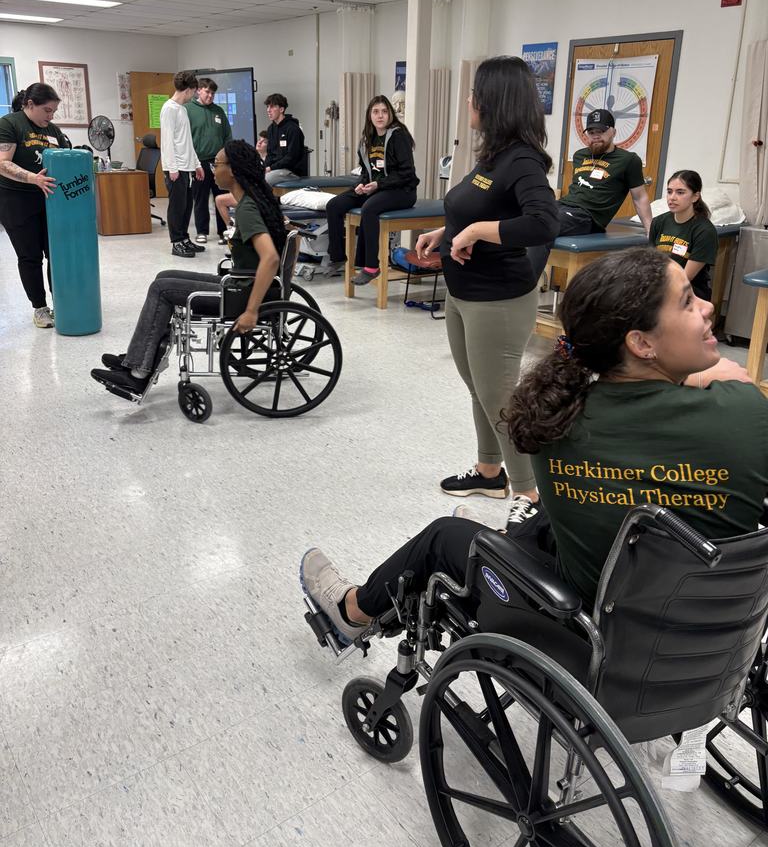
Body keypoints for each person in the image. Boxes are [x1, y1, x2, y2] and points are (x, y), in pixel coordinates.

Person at [300, 248, 765, 645]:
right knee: (547, 520)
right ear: (640, 342)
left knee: (445, 536)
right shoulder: (746, 412)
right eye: (688, 302)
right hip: (713, 639)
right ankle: (506, 544)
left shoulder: (555, 425)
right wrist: (705, 375)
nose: (706, 307)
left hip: (594, 633)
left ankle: (353, 611)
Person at [414, 56, 559, 520]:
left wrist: (476, 233)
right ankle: (489, 471)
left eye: (475, 93)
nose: (469, 100)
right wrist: (448, 231)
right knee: (478, 388)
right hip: (464, 293)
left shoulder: (522, 160)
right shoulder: (493, 156)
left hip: (497, 299)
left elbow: (542, 222)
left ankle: (531, 495)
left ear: (493, 101)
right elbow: (477, 205)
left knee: (500, 397)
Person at [90, 140, 285, 397]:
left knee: (162, 288)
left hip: (241, 294)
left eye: (216, 164)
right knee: (164, 276)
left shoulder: (248, 208)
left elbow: (270, 258)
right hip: (239, 284)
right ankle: (139, 356)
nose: (212, 168)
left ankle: (137, 372)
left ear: (234, 170)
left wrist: (251, 312)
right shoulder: (252, 200)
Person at [529, 109, 652, 279]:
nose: (595, 136)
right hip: (563, 206)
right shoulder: (580, 155)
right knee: (520, 218)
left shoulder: (628, 160)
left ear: (613, 132)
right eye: (592, 132)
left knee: (542, 226)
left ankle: (523, 286)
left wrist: (649, 230)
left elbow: (639, 196)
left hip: (587, 216)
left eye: (601, 131)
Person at [325, 95, 418, 284]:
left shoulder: (398, 136)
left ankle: (371, 266)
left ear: (390, 114)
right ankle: (337, 257)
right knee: (334, 205)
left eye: (384, 111)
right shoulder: (367, 140)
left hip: (403, 191)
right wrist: (361, 185)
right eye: (376, 112)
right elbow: (367, 172)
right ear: (370, 115)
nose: (380, 116)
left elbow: (407, 173)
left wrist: (378, 185)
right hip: (377, 189)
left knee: (369, 208)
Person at [0, 82, 69, 328]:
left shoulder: (53, 130)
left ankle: (61, 302)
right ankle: (39, 307)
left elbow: (65, 156)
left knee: (56, 254)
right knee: (30, 256)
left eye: (53, 112)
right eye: (47, 110)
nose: (50, 116)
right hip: (16, 201)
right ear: (30, 105)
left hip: (50, 201)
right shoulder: (10, 124)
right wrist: (32, 178)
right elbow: (2, 162)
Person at [650, 170, 718, 301]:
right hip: (660, 284)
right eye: (669, 192)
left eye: (680, 192)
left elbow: (685, 278)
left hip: (689, 290)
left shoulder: (705, 231)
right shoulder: (658, 222)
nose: (672, 197)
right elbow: (651, 261)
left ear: (695, 196)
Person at [159, 71, 204, 258]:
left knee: (186, 206)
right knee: (177, 207)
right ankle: (176, 242)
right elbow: (167, 140)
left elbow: (187, 142)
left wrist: (197, 164)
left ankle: (184, 238)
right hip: (176, 168)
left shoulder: (182, 109)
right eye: (194, 91)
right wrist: (172, 168)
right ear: (189, 89)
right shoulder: (169, 109)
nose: (194, 95)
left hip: (187, 167)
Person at [185, 76, 232, 246]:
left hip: (219, 162)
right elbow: (185, 137)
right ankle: (202, 231)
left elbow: (227, 135)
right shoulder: (188, 109)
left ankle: (223, 231)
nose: (210, 96)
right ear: (198, 90)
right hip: (199, 161)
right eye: (207, 92)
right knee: (201, 197)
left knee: (221, 196)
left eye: (213, 93)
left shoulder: (218, 111)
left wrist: (227, 158)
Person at [263, 93, 308, 186]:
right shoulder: (271, 129)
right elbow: (270, 154)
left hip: (291, 171)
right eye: (267, 107)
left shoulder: (293, 129)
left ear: (281, 109)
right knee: (253, 176)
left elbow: (291, 157)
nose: (268, 110)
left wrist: (270, 168)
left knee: (265, 179)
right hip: (275, 170)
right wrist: (265, 167)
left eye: (272, 107)